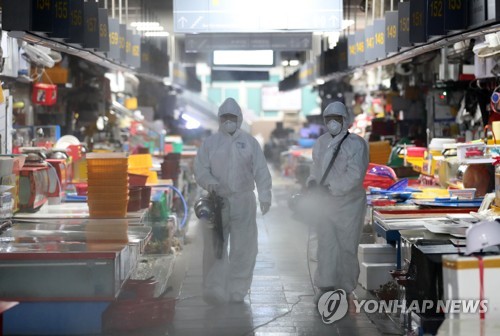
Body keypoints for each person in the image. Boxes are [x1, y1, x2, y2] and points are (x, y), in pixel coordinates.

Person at [194, 97, 272, 304]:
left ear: (239, 118)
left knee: (244, 247)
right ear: (220, 119)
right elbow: (200, 168)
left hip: (244, 200)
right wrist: (210, 182)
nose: (228, 121)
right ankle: (217, 287)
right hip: (218, 201)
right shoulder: (211, 143)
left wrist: (265, 195)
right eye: (225, 117)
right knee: (217, 246)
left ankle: (239, 288)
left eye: (232, 117)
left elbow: (261, 171)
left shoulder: (249, 143)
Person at [306, 101, 369, 302]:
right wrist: (313, 183)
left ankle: (345, 286)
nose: (332, 123)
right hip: (325, 203)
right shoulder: (321, 142)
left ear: (345, 120)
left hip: (348, 204)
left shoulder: (356, 144)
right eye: (329, 119)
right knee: (325, 243)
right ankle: (326, 282)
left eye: (337, 119)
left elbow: (355, 174)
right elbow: (315, 168)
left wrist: (331, 188)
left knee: (347, 245)